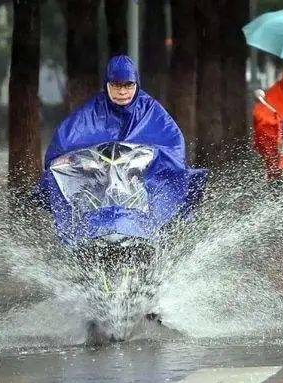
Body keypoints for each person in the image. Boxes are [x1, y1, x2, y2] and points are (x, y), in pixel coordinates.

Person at [39, 55, 206, 244]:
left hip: (139, 186)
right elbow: (63, 146)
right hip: (98, 189)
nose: (122, 92)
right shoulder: (91, 112)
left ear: (137, 84)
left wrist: (150, 159)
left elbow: (172, 146)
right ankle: (81, 242)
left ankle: (154, 239)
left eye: (128, 85)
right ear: (107, 85)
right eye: (116, 86)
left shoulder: (150, 110)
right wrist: (71, 162)